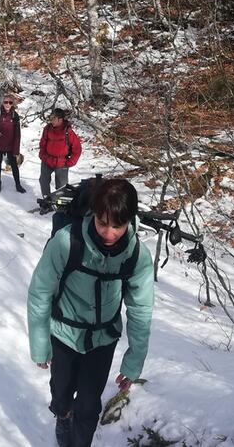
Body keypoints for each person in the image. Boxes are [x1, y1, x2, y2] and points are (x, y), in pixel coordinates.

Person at [27, 179, 153, 447]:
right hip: (64, 334)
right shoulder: (67, 242)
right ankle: (62, 414)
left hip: (102, 339)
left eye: (117, 225)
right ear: (93, 214)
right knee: (61, 394)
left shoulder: (136, 256)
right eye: (102, 223)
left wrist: (133, 362)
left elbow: (141, 309)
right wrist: (39, 343)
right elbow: (40, 292)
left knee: (89, 405)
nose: (109, 233)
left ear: (129, 220)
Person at [38, 109, 82, 199]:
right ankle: (46, 201)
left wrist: (70, 162)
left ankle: (60, 203)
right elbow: (42, 143)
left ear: (60, 119)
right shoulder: (47, 129)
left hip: (62, 163)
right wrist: (42, 155)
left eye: (53, 118)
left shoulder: (68, 132)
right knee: (43, 181)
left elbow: (77, 148)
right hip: (47, 160)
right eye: (51, 117)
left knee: (61, 186)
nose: (51, 120)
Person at [0, 94, 26, 193]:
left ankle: (18, 185)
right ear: (2, 103)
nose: (7, 104)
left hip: (10, 144)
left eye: (10, 102)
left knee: (14, 164)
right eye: (6, 102)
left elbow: (18, 134)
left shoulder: (15, 115)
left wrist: (16, 149)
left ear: (12, 104)